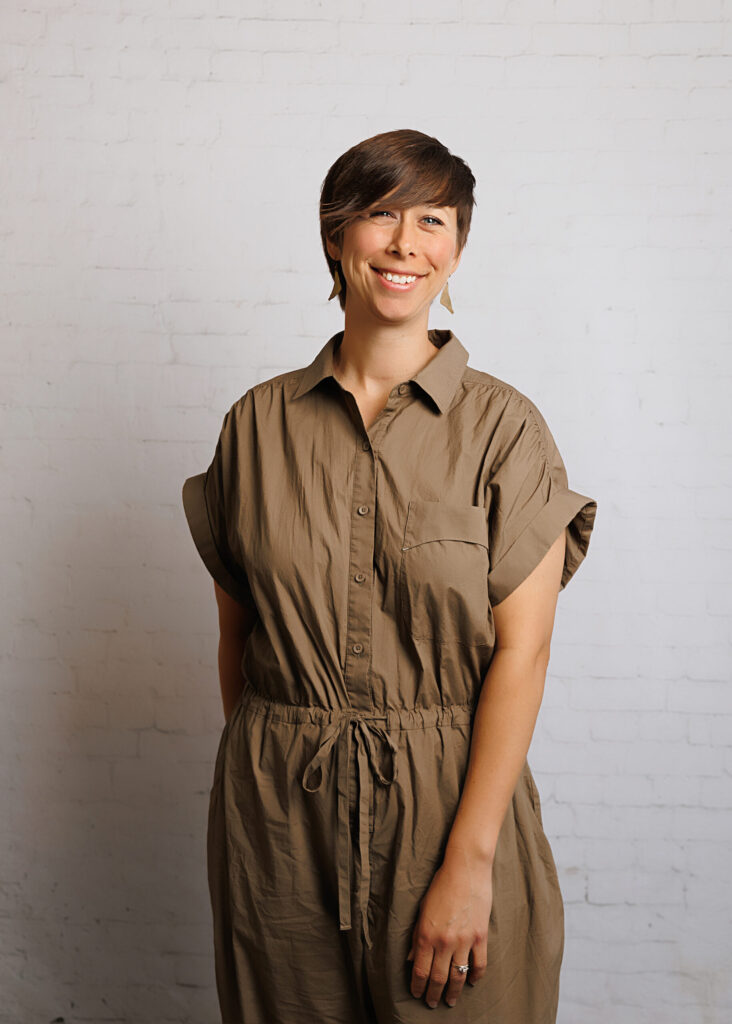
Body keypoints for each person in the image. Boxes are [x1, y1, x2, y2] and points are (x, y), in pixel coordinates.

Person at [181, 128, 597, 1024]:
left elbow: (521, 657)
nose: (407, 243)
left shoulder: (505, 430)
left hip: (449, 811)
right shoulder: (255, 427)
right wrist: (272, 782)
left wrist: (469, 862)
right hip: (280, 826)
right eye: (380, 215)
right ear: (337, 236)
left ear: (457, 248)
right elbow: (239, 637)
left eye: (434, 221)